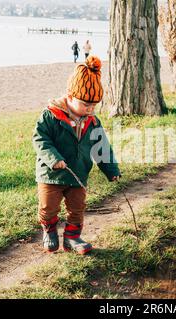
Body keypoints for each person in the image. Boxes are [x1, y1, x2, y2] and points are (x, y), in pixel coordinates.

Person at [32, 56, 121, 255]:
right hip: (51, 175)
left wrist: (111, 169)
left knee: (77, 208)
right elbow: (40, 139)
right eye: (84, 105)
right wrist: (53, 158)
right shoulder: (51, 116)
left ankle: (72, 238)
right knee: (48, 207)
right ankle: (49, 230)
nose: (89, 109)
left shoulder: (93, 122)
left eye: (93, 106)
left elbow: (102, 147)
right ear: (70, 97)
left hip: (78, 173)